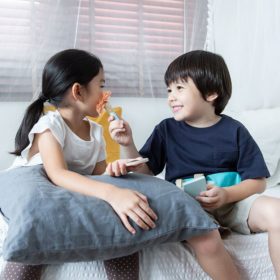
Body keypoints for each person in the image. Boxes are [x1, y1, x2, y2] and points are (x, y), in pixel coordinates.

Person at [107, 50, 279, 279]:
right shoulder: (166, 129)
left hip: (231, 201)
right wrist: (127, 144)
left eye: (179, 88)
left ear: (211, 93)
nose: (171, 97)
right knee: (207, 242)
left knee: (276, 211)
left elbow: (257, 183)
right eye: (169, 89)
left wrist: (227, 195)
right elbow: (145, 172)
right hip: (187, 205)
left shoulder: (234, 130)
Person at [0, 49, 158, 280]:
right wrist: (113, 193)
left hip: (68, 190)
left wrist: (116, 167)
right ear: (78, 91)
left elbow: (96, 171)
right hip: (38, 191)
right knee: (37, 230)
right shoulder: (50, 124)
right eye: (101, 85)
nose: (106, 93)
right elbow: (58, 174)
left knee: (116, 222)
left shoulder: (94, 130)